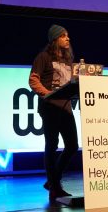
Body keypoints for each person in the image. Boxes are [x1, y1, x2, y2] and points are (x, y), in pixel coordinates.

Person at [28, 24, 78, 200]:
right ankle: (54, 187)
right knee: (52, 145)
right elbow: (33, 80)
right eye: (63, 36)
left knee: (72, 145)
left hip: (66, 108)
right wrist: (47, 94)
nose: (67, 38)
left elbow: (71, 84)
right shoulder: (43, 57)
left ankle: (52, 180)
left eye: (68, 35)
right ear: (55, 39)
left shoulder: (68, 60)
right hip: (49, 107)